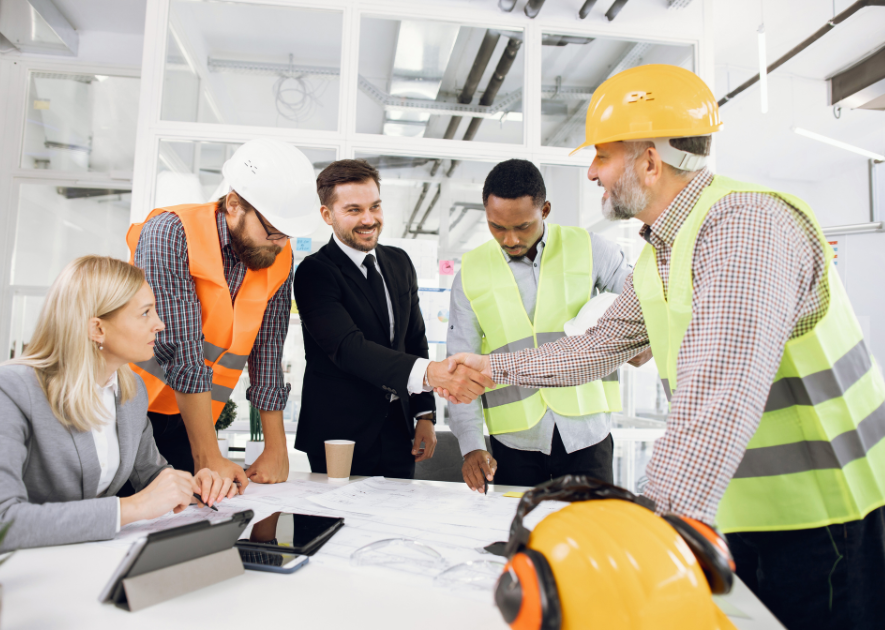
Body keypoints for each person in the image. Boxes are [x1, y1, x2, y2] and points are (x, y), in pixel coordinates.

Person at [440, 64, 885, 630]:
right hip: (738, 513)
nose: (594, 172)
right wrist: (491, 368)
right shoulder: (661, 250)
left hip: (825, 518)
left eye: (602, 155)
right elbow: (597, 347)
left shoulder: (744, 224)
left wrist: (646, 537)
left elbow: (720, 388)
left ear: (649, 160)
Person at [0, 256, 225, 553]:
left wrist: (189, 485)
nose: (159, 324)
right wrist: (130, 508)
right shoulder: (7, 389)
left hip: (92, 559)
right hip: (21, 570)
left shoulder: (130, 390)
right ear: (97, 329)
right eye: (145, 313)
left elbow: (150, 474)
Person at [129, 138, 320, 492]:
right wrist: (208, 455)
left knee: (187, 525)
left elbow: (267, 350)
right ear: (234, 205)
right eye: (274, 231)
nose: (281, 244)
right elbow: (181, 350)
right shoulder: (170, 233)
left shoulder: (277, 251)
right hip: (126, 411)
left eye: (287, 234)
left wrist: (276, 447)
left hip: (191, 417)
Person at [448, 159, 646, 492]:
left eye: (523, 226)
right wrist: (471, 445)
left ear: (546, 210)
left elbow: (641, 308)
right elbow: (460, 366)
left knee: (593, 538)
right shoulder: (469, 273)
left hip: (588, 434)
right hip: (515, 443)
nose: (510, 239)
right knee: (523, 540)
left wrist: (638, 344)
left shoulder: (592, 249)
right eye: (497, 226)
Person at [293, 159, 494, 479]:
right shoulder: (314, 273)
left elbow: (414, 339)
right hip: (340, 434)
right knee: (333, 524)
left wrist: (424, 414)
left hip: (398, 430)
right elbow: (348, 348)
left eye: (375, 206)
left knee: (397, 521)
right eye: (354, 210)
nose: (369, 219)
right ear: (327, 216)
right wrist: (433, 374)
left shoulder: (398, 262)